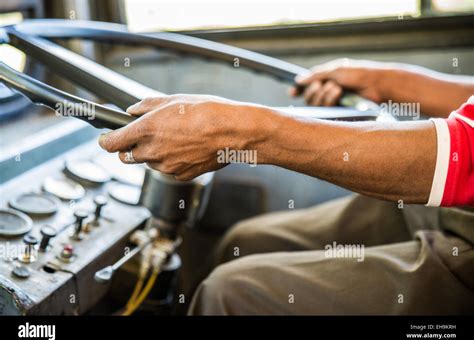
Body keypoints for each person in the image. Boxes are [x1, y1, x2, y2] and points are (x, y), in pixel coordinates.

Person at [99, 59, 474, 315]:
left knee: (231, 295)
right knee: (243, 243)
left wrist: (246, 133)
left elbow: (463, 157)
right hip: (448, 201)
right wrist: (383, 81)